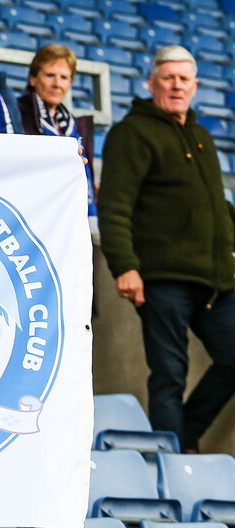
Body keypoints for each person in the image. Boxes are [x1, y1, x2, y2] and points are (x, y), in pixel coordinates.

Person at [97, 45, 235, 453]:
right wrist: (125, 266)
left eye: (184, 79)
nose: (177, 86)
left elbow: (217, 207)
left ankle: (181, 442)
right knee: (169, 376)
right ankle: (172, 464)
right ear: (151, 82)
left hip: (216, 282)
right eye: (169, 78)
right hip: (162, 279)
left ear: (195, 86)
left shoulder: (202, 136)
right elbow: (115, 205)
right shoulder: (132, 133)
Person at [18, 43, 97, 220]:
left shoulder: (75, 124)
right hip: (31, 213)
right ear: (33, 78)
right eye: (50, 75)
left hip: (69, 215)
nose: (57, 84)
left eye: (64, 77)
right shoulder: (15, 113)